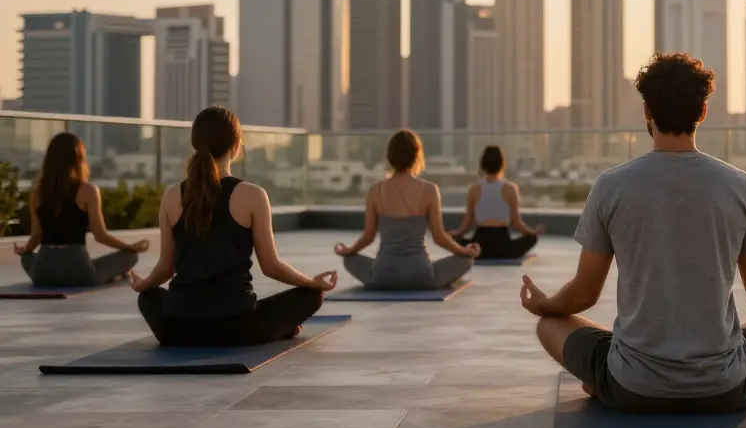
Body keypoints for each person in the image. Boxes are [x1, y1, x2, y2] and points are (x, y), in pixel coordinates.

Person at [519, 52, 746, 414]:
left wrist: (543, 305)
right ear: (703, 111)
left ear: (647, 110)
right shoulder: (741, 186)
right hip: (725, 387)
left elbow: (583, 294)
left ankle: (605, 381)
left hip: (634, 386)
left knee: (550, 326)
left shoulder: (611, 186)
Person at [131, 106, 336, 347]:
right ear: (237, 144)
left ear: (195, 144)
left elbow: (165, 269)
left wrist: (143, 285)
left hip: (177, 329)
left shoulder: (171, 195)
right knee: (312, 296)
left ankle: (272, 327)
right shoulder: (252, 195)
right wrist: (313, 283)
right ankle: (279, 327)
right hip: (239, 327)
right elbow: (271, 267)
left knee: (148, 297)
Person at [334, 130, 480, 289]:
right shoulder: (429, 190)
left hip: (382, 275)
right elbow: (439, 237)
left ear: (389, 156)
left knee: (349, 259)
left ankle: (377, 273)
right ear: (417, 156)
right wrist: (463, 251)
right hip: (422, 276)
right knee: (466, 260)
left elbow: (368, 236)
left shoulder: (375, 190)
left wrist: (349, 251)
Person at [13, 132, 149, 287]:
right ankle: (108, 274)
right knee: (131, 257)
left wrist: (25, 251)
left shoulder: (37, 191)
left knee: (27, 257)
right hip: (79, 271)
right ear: (78, 159)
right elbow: (100, 236)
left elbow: (37, 235)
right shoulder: (88, 190)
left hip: (43, 272)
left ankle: (96, 271)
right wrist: (130, 247)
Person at [449, 145, 545, 260]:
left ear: (483, 165)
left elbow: (467, 224)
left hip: (479, 248)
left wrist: (454, 234)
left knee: (453, 239)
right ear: (502, 165)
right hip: (504, 248)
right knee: (532, 238)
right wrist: (533, 232)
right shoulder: (510, 188)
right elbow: (517, 223)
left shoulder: (474, 189)